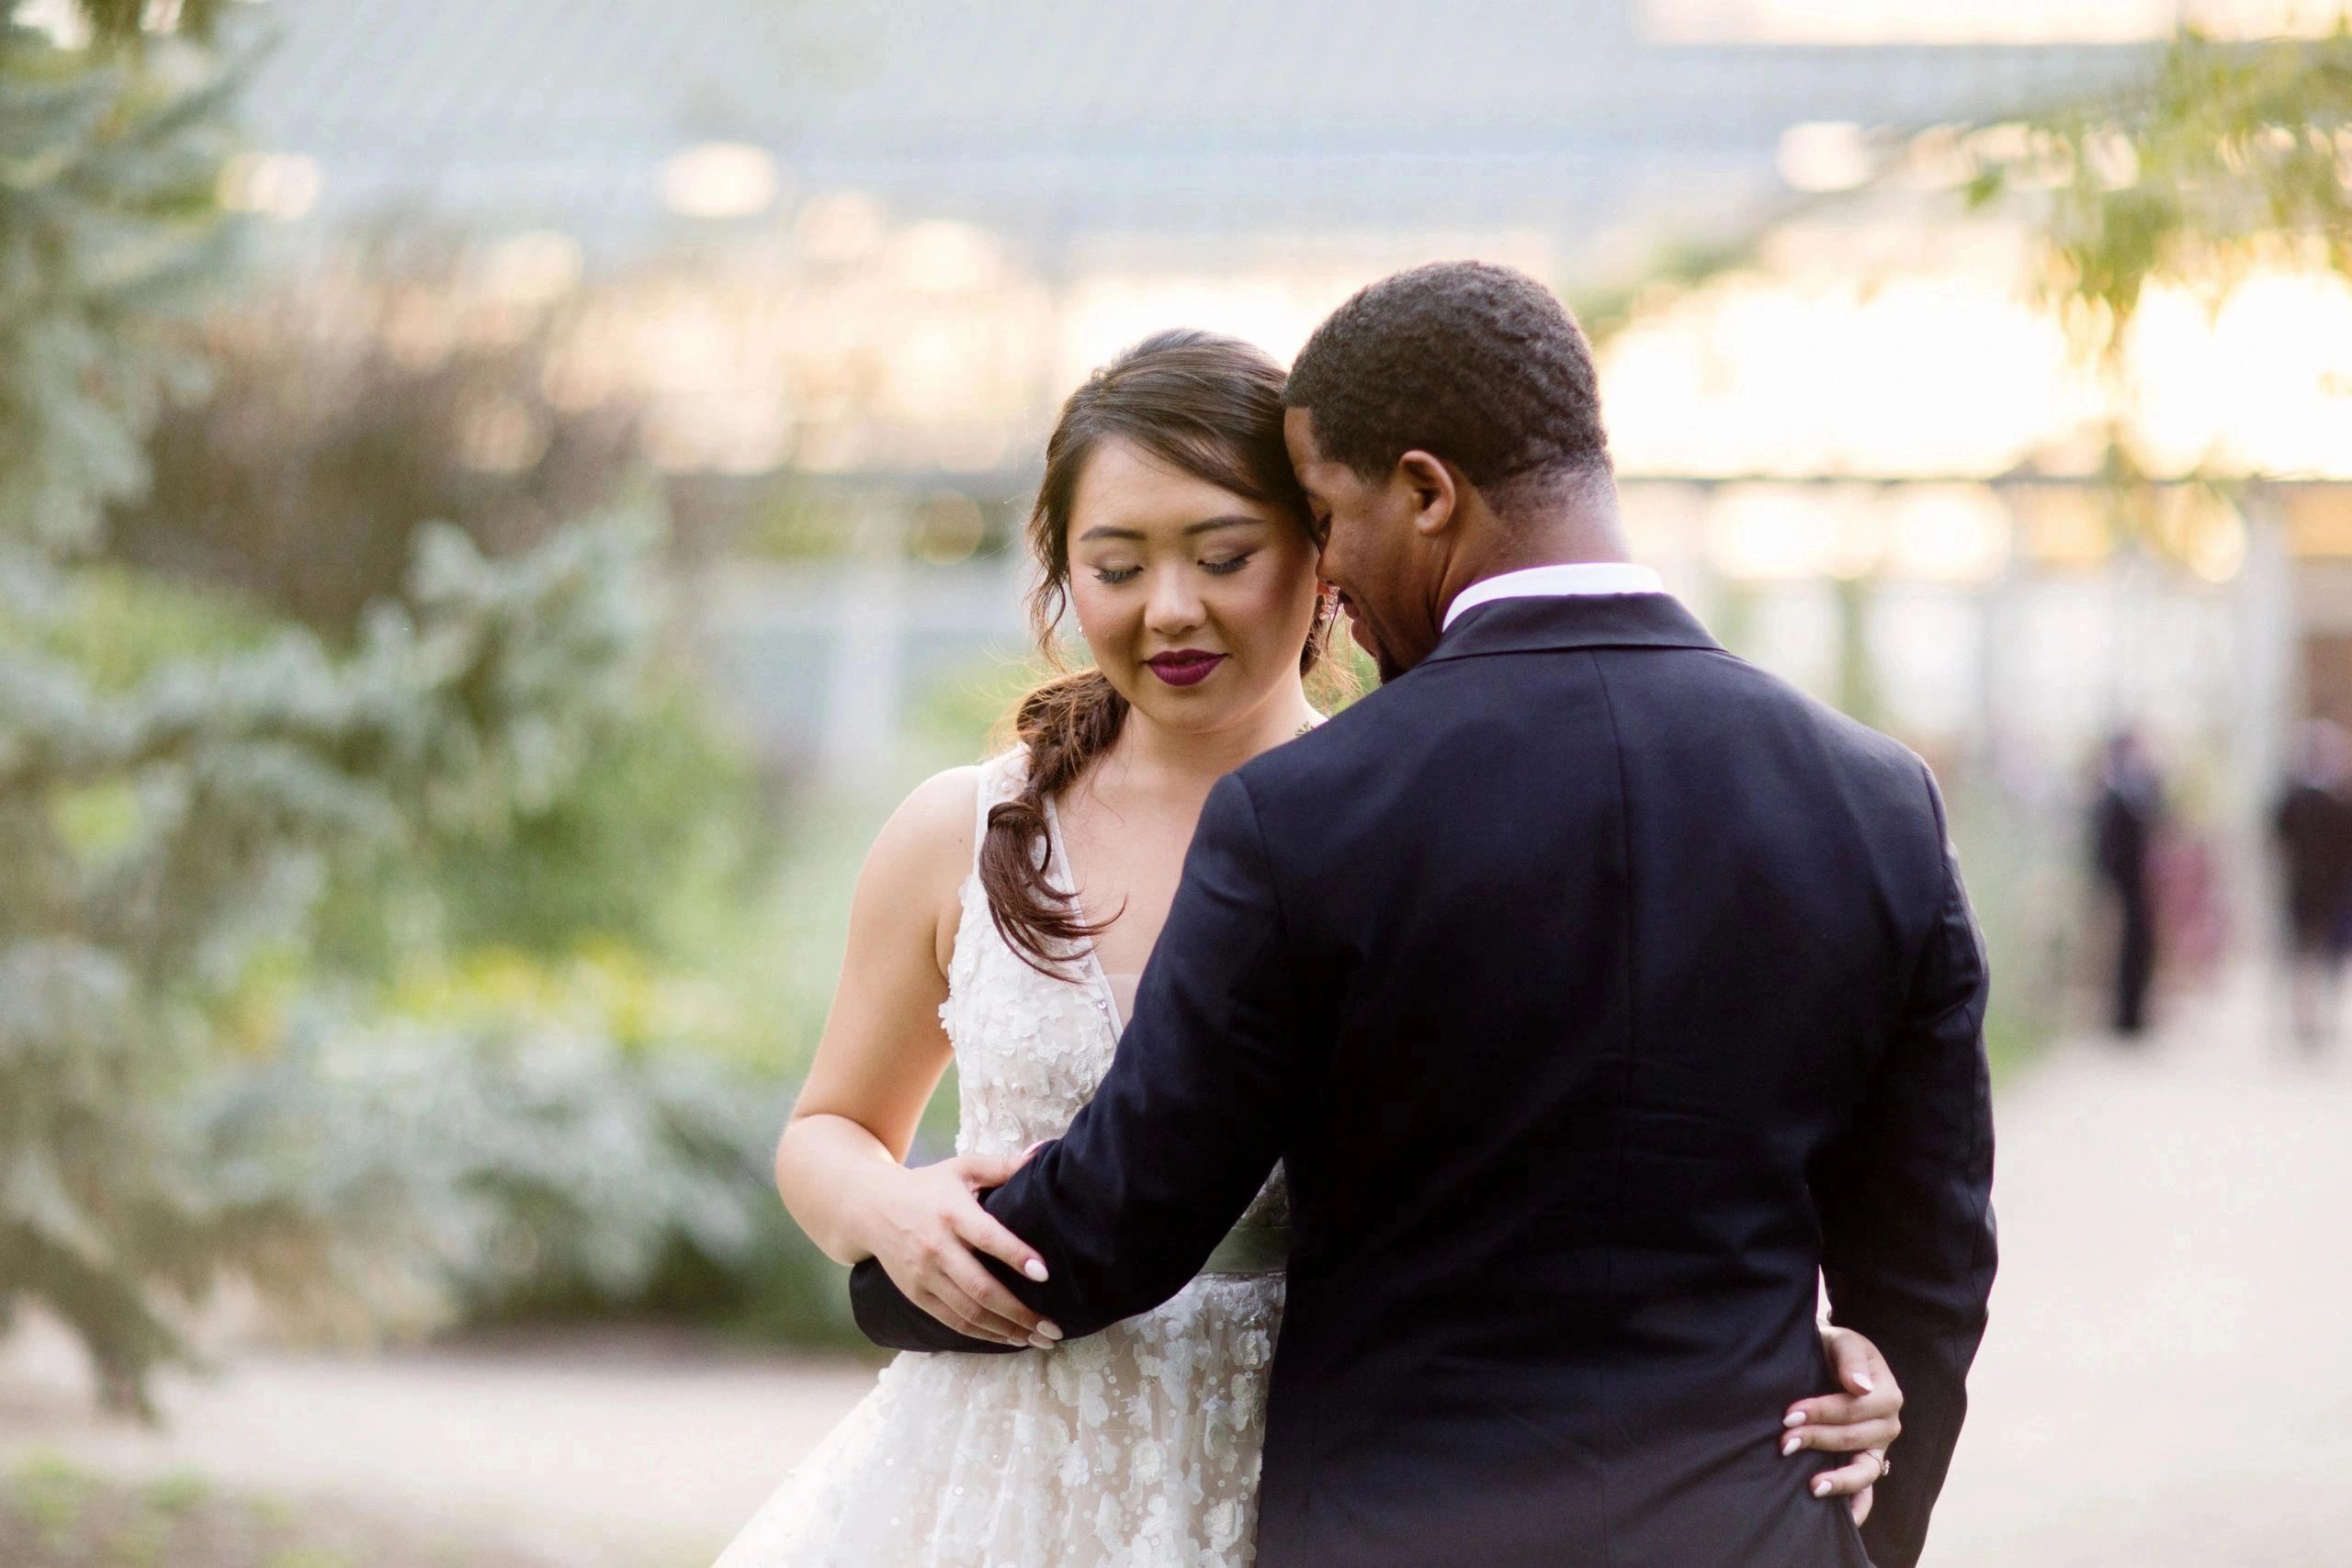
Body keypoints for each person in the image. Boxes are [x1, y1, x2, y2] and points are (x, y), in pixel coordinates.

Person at [851, 265, 1996, 1568]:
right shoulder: (1876, 800)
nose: (1330, 576)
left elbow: (1129, 1218)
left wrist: (888, 1279)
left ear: (1426, 493)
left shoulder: (1310, 812)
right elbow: (1930, 1264)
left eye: (1328, 520)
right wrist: (1865, 1539)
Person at [2274, 719, 2352, 1045]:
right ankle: (2307, 1018)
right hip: (2311, 886)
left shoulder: (2332, 799)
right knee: (2307, 952)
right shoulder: (2300, 798)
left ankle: (2318, 1016)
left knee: (2323, 953)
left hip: (2326, 887)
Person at [2091, 728, 2165, 1038]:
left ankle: (2134, 1013)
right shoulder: (2113, 795)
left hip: (2137, 885)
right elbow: (2106, 845)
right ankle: (2123, 1016)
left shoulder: (2136, 792)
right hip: (2122, 884)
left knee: (2138, 948)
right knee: (2121, 949)